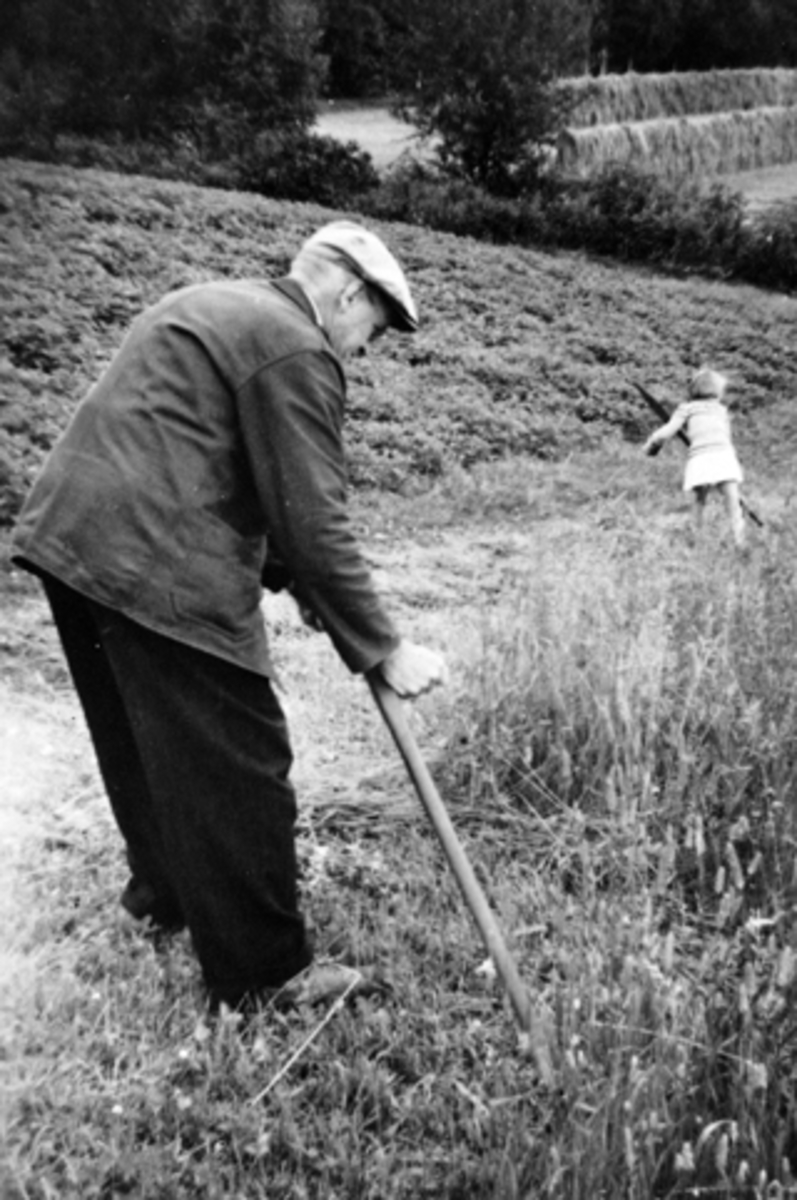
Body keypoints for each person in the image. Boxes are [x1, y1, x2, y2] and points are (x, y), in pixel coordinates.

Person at [10, 219, 448, 1012]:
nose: (360, 351)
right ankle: (262, 972)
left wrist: (305, 589)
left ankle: (165, 894)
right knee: (240, 759)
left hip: (74, 540)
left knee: (142, 733)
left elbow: (214, 464)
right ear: (347, 293)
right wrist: (383, 647)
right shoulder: (294, 346)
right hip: (156, 559)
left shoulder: (215, 302)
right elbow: (311, 517)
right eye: (371, 332)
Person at [643, 367, 746, 549]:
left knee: (699, 500)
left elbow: (666, 432)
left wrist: (652, 444)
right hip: (724, 456)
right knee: (732, 500)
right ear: (718, 391)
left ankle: (696, 538)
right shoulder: (721, 410)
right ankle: (740, 540)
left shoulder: (687, 409)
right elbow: (726, 438)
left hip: (702, 459)